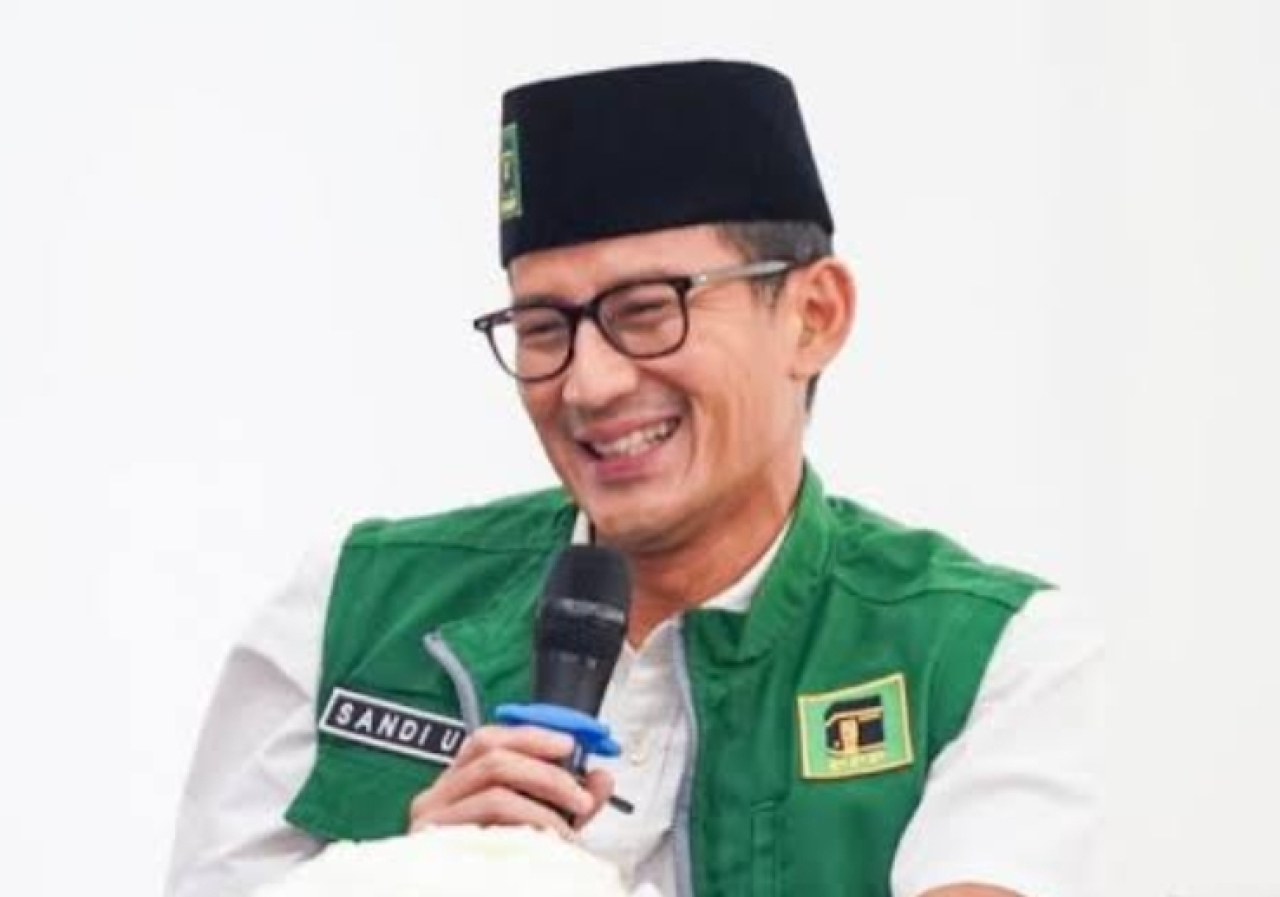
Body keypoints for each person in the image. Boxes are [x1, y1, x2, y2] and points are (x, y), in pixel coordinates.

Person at [166, 60, 1101, 897]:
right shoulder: (347, 607)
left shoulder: (987, 655)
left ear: (813, 315)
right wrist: (412, 881)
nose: (589, 383)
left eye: (649, 311)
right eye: (544, 328)